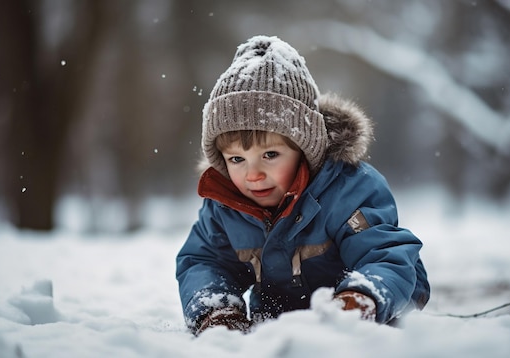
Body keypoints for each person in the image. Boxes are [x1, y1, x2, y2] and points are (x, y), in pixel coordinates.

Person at [176, 35, 430, 335]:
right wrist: (217, 310)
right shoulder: (225, 204)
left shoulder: (348, 190)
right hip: (284, 323)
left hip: (379, 314)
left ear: (305, 149)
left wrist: (359, 300)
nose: (252, 174)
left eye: (270, 155)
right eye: (236, 159)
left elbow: (384, 252)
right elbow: (204, 261)